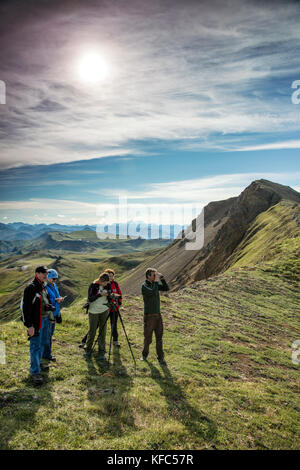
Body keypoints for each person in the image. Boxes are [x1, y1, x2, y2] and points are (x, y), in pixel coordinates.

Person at [22, 266, 55, 385]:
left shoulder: (43, 286)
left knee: (42, 343)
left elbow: (44, 302)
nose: (45, 275)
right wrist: (29, 326)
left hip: (45, 319)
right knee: (35, 345)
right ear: (37, 274)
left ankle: (39, 363)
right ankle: (35, 372)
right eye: (43, 273)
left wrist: (49, 309)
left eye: (46, 273)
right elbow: (26, 309)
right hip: (36, 322)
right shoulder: (31, 288)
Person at [141, 268, 169, 365]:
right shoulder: (144, 286)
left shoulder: (155, 285)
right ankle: (144, 355)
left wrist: (162, 279)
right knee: (148, 337)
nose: (155, 277)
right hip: (149, 316)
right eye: (153, 275)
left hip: (158, 315)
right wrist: (157, 281)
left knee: (159, 337)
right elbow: (152, 292)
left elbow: (166, 288)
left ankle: (161, 358)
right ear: (148, 276)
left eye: (155, 275)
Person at [84, 272, 110, 360]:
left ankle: (101, 351)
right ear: (100, 280)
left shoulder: (107, 285)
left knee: (103, 331)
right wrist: (100, 294)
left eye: (107, 283)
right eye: (105, 283)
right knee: (92, 331)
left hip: (104, 310)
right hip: (93, 311)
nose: (106, 284)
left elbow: (109, 295)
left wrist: (109, 295)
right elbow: (90, 298)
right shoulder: (93, 285)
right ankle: (88, 349)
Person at [44, 268, 64, 362]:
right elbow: (46, 302)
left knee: (50, 334)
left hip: (54, 313)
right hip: (48, 315)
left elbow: (56, 298)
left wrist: (58, 314)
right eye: (53, 278)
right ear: (48, 278)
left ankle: (46, 353)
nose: (54, 280)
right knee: (47, 335)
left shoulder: (54, 286)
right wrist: (56, 300)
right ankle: (47, 354)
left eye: (55, 278)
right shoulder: (45, 287)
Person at [104, 268, 122, 347]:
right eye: (109, 276)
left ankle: (115, 341)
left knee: (114, 324)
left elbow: (119, 293)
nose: (111, 278)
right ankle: (86, 340)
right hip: (105, 308)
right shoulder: (103, 284)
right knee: (99, 324)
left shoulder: (115, 284)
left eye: (112, 276)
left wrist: (119, 302)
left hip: (114, 308)